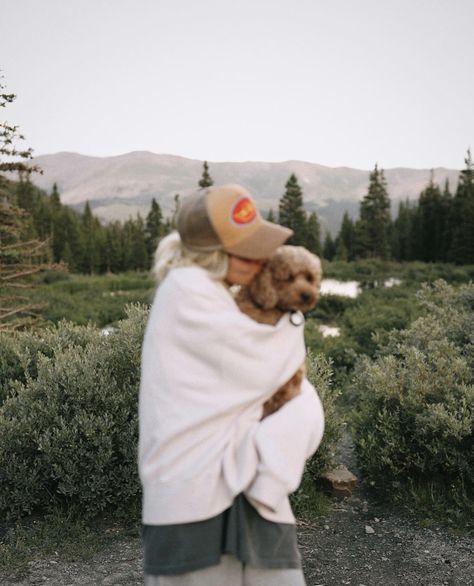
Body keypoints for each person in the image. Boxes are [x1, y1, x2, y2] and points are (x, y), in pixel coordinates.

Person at [139, 183, 325, 586]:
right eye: (249, 249)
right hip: (193, 492)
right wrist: (292, 322)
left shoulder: (221, 292)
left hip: (244, 482)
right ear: (214, 254)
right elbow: (260, 365)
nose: (262, 258)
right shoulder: (186, 290)